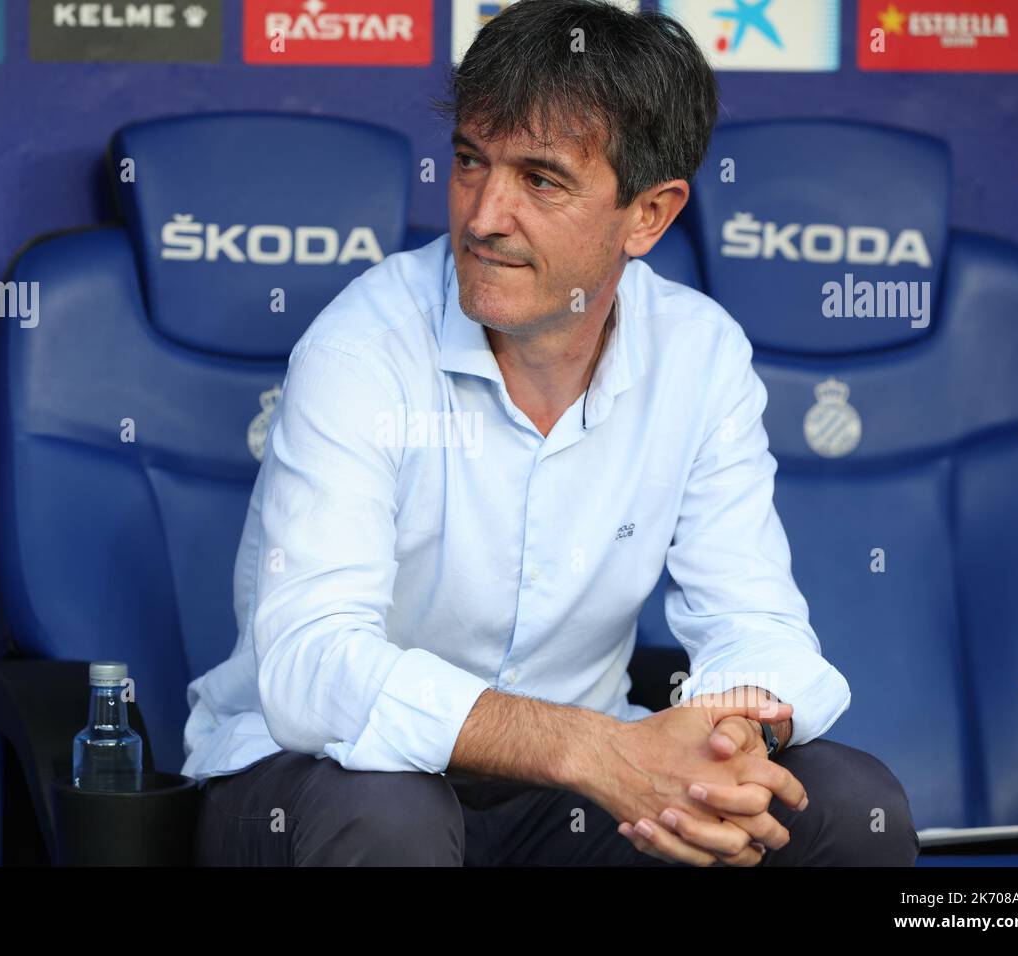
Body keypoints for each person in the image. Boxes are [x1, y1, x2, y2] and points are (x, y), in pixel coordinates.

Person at [184, 0, 919, 867]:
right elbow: (313, 666)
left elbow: (755, 622)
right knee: (392, 814)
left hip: (568, 805)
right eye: (469, 162)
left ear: (648, 215)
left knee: (846, 804)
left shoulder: (700, 352)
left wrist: (733, 735)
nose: (484, 215)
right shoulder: (361, 347)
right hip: (319, 783)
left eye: (540, 179)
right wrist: (591, 749)